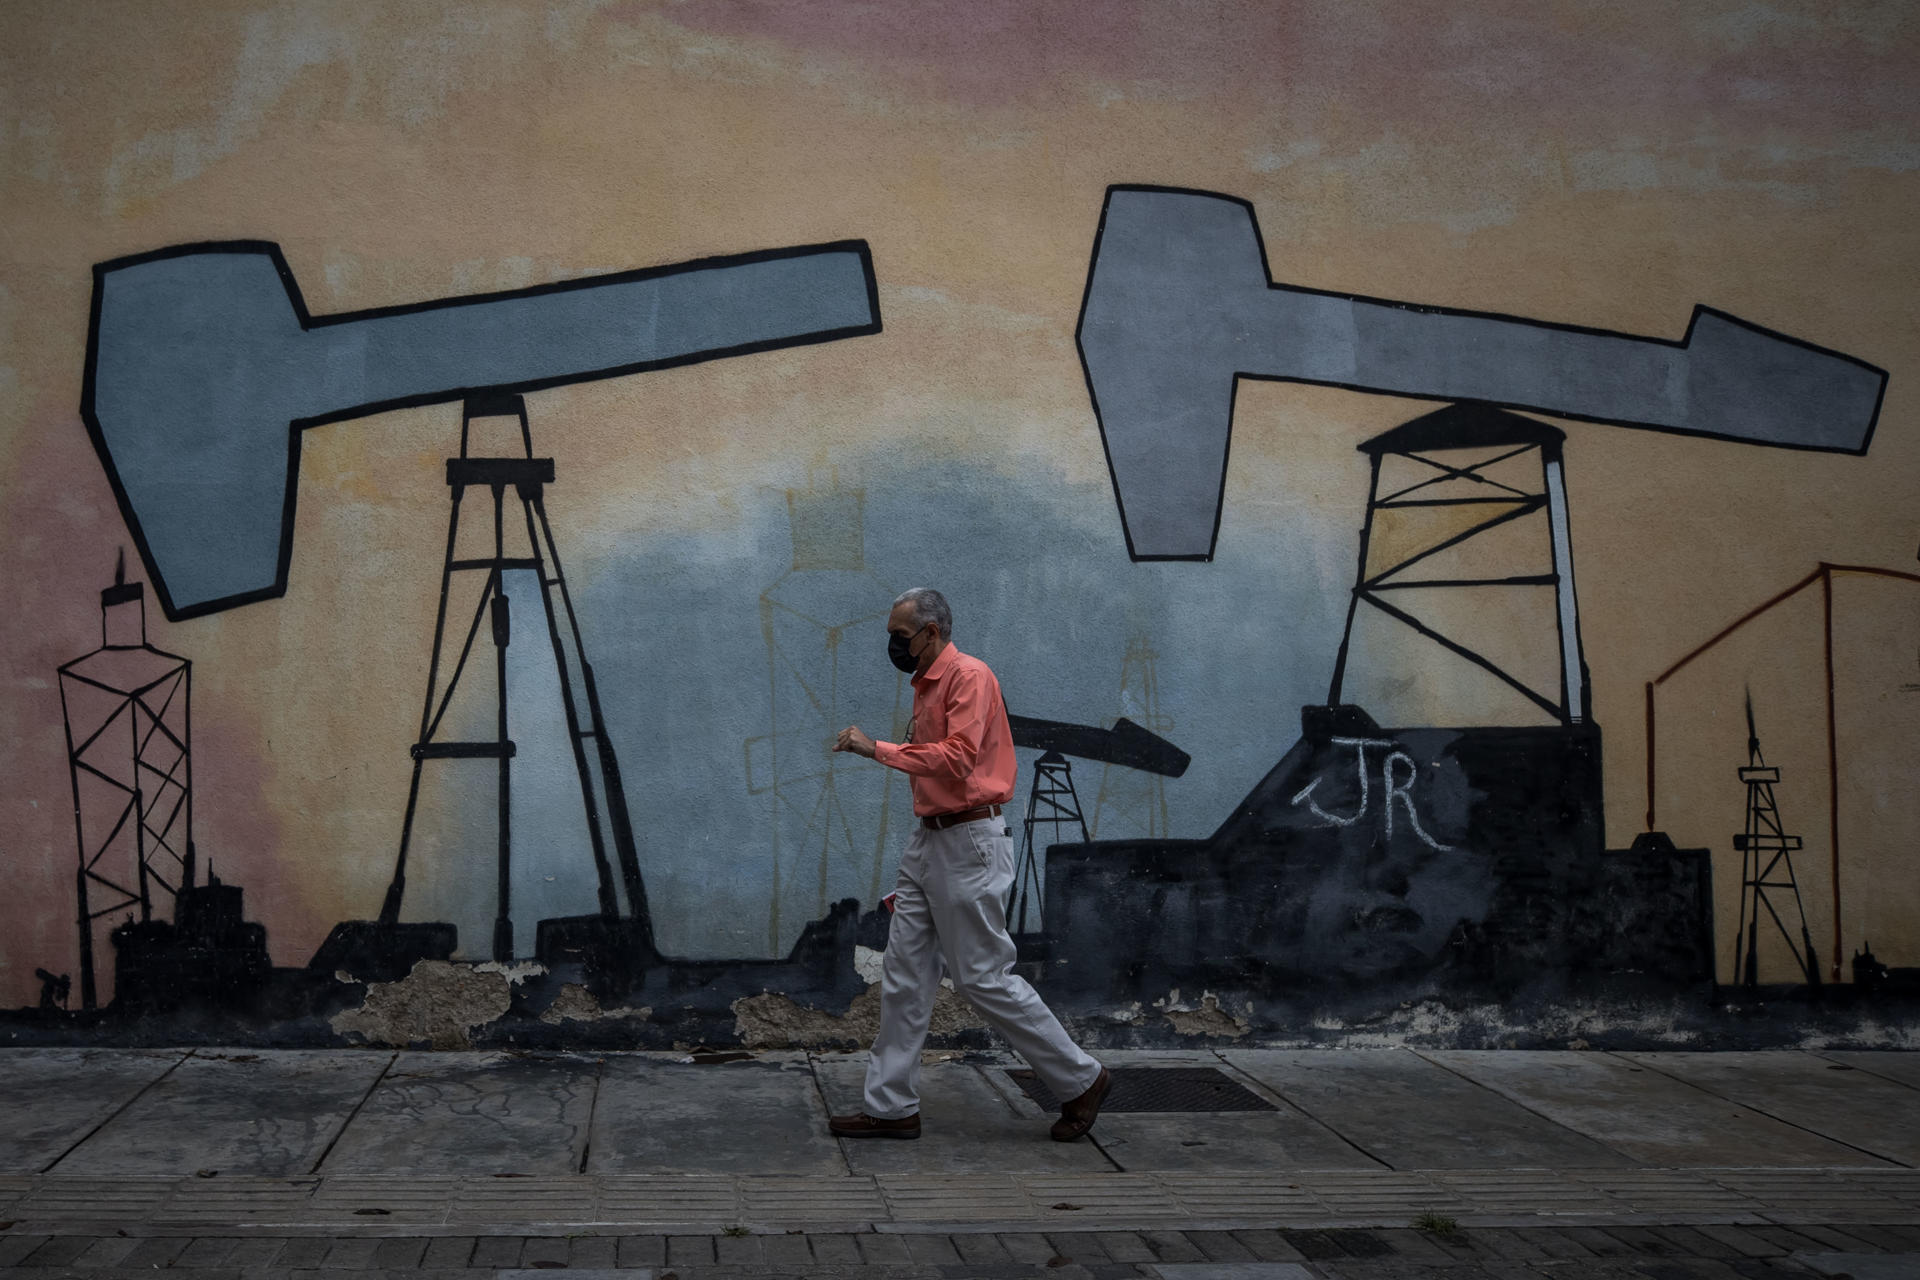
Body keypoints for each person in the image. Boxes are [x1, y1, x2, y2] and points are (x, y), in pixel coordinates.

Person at [829, 587, 1110, 1142]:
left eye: (900, 635)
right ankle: (891, 1108)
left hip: (969, 841)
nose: (893, 645)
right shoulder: (926, 684)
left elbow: (958, 758)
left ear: (931, 633)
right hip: (930, 842)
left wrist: (876, 748)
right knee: (904, 977)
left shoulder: (970, 677)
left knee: (983, 978)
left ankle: (1082, 1079)